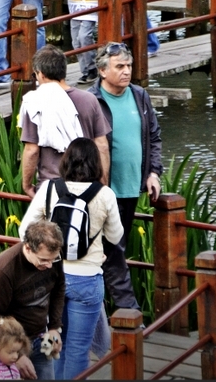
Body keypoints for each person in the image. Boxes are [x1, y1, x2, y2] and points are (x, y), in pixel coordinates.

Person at [18, 138, 123, 379]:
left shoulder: (49, 189)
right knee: (77, 350)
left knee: (52, 342)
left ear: (66, 161)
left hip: (51, 276)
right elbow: (116, 237)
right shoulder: (105, 194)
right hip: (87, 280)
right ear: (96, 164)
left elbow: (24, 231)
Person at [87, 42, 165, 312]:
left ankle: (111, 313)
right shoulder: (91, 100)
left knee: (113, 252)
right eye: (119, 66)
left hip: (132, 189)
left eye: (129, 65)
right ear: (102, 70)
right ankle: (129, 313)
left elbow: (154, 137)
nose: (126, 71)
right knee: (114, 252)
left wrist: (154, 172)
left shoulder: (140, 95)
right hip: (104, 192)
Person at [19, 44, 111, 199]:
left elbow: (32, 150)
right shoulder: (90, 100)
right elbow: (101, 145)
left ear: (40, 74)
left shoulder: (34, 102)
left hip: (52, 186)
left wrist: (27, 185)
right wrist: (102, 184)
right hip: (87, 186)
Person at [0, 220, 66, 380]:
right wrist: (16, 355)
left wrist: (55, 327)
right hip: (11, 346)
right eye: (43, 260)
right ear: (27, 247)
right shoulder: (3, 270)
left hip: (42, 338)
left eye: (53, 260)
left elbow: (58, 287)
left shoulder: (52, 257)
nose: (49, 266)